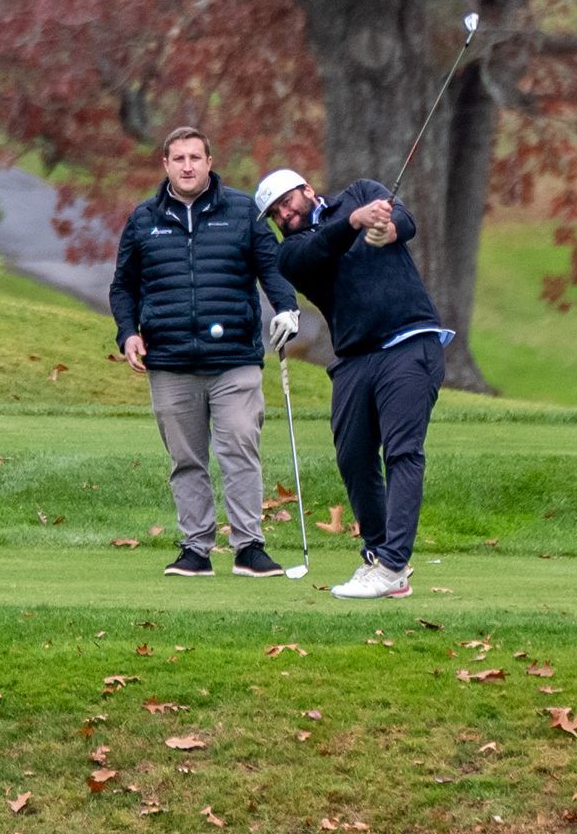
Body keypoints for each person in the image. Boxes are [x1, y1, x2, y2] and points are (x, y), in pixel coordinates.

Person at [110, 127, 303, 578]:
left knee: (239, 446)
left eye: (195, 157)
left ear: (210, 161)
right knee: (187, 460)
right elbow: (123, 285)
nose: (187, 166)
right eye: (178, 159)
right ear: (165, 165)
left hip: (234, 358)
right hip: (170, 361)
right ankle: (195, 549)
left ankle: (249, 546)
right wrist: (127, 334)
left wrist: (288, 309)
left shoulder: (243, 212)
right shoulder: (144, 219)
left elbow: (272, 268)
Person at [254, 168, 451, 601]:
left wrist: (389, 227)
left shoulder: (360, 192)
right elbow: (323, 249)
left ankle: (392, 564)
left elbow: (408, 222)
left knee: (402, 451)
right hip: (355, 356)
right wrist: (357, 223)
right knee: (353, 456)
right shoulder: (291, 253)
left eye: (288, 200)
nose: (285, 213)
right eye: (275, 212)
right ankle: (382, 556)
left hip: (409, 341)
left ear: (307, 188)